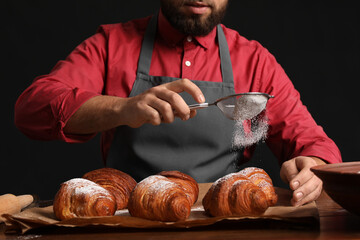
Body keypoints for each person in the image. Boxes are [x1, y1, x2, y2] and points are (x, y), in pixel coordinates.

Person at [15, 0, 341, 207]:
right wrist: (122, 109)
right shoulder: (111, 46)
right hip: (125, 224)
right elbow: (31, 109)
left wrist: (312, 166)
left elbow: (312, 143)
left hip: (225, 226)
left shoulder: (254, 64)